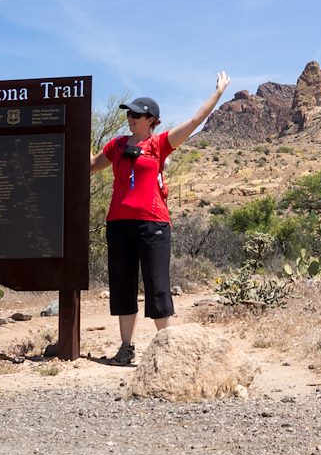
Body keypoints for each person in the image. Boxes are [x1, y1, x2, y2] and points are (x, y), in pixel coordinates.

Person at [89, 72, 230, 365]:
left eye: (136, 115)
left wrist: (217, 93)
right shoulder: (116, 146)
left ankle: (168, 351)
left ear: (151, 119)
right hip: (118, 224)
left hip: (152, 224)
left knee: (157, 285)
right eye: (128, 114)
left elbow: (193, 123)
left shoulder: (160, 144)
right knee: (123, 285)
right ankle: (126, 348)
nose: (130, 118)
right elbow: (91, 166)